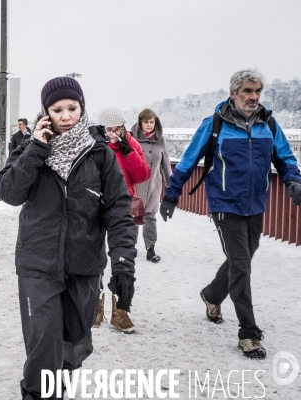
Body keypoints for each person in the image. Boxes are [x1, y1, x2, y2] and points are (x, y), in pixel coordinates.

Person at [0, 77, 137, 400]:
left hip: (84, 267)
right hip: (37, 266)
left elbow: (118, 210)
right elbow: (8, 192)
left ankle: (59, 384)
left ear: (82, 108)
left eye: (72, 108)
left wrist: (123, 262)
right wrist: (36, 149)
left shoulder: (99, 154)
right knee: (44, 347)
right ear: (46, 112)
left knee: (76, 345)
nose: (65, 115)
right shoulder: (27, 147)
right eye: (57, 109)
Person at [160, 69, 301, 360]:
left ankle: (212, 295)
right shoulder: (214, 125)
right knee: (241, 265)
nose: (253, 97)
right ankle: (248, 333)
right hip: (225, 204)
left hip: (256, 204)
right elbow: (187, 162)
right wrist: (171, 195)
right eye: (247, 91)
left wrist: (293, 180)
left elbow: (285, 158)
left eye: (257, 91)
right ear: (233, 93)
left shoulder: (268, 125)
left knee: (243, 259)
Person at [96, 107, 150, 332]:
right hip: (97, 205)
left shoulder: (130, 143)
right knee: (92, 256)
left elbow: (142, 175)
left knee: (124, 258)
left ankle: (120, 310)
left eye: (118, 128)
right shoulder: (94, 145)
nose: (114, 133)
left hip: (126, 204)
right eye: (109, 129)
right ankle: (94, 306)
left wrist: (128, 153)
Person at [130, 109, 172, 263]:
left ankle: (150, 248)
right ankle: (130, 247)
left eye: (151, 122)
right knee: (134, 215)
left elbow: (166, 163)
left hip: (154, 185)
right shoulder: (131, 139)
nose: (149, 125)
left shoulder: (160, 140)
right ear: (140, 122)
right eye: (146, 122)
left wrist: (171, 186)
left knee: (150, 216)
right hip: (136, 186)